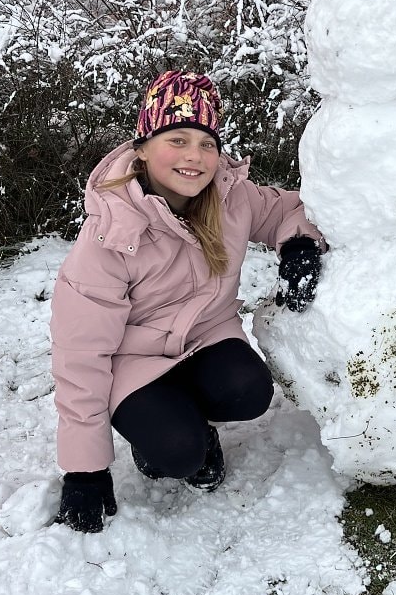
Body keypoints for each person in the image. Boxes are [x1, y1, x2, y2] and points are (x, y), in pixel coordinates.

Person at [51, 69, 324, 533]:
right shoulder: (110, 233)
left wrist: (298, 243)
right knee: (178, 453)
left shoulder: (232, 197)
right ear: (142, 147)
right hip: (132, 360)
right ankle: (167, 433)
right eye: (177, 140)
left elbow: (290, 208)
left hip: (205, 336)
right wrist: (84, 470)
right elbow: (80, 354)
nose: (194, 156)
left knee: (250, 392)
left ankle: (186, 417)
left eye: (206, 143)